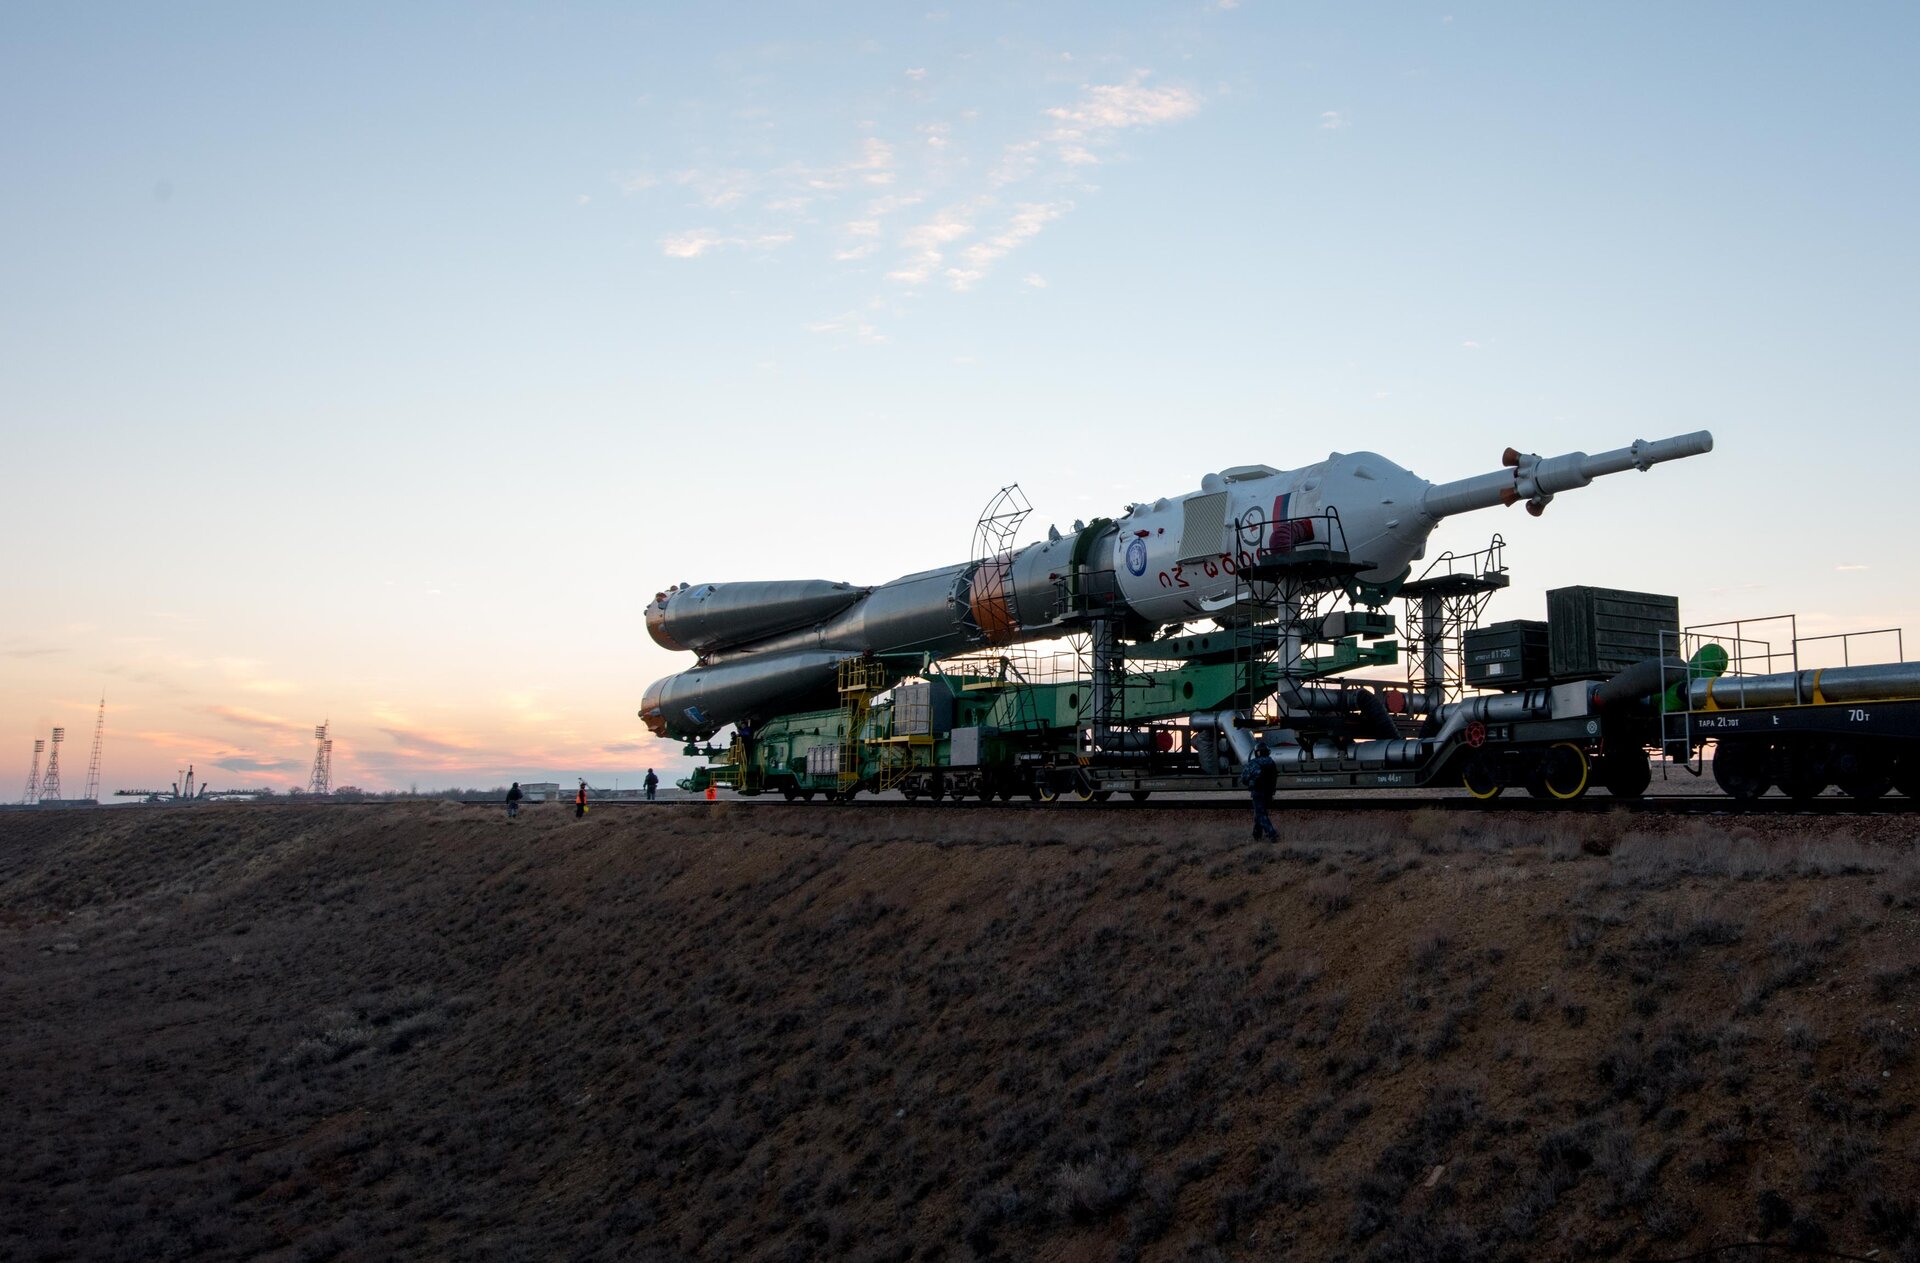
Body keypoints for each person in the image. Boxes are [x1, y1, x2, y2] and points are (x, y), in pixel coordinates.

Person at [1241, 742, 1279, 842]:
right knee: (1259, 814)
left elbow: (1244, 778)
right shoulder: (1272, 763)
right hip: (1269, 792)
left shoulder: (1254, 763)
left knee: (1261, 815)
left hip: (1257, 792)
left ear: (1257, 752)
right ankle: (1256, 836)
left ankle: (1272, 834)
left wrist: (1250, 782)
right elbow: (1274, 778)